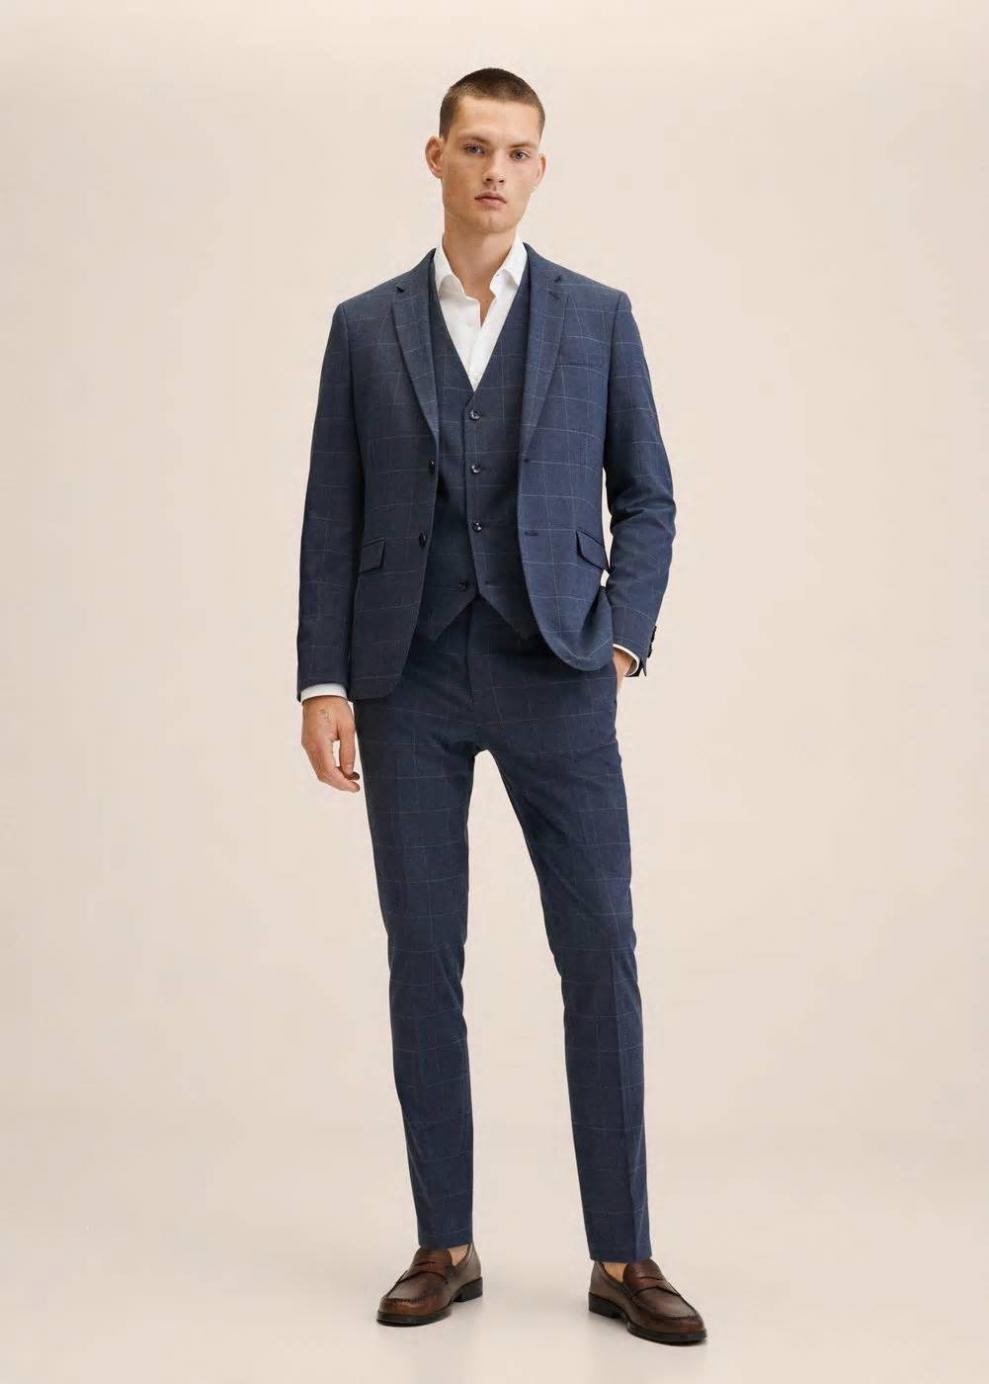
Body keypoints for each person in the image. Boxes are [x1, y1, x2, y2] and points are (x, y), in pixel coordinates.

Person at [296, 67, 705, 1346]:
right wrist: (322, 680)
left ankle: (623, 1253)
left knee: (599, 953)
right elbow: (331, 513)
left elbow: (648, 494)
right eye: (474, 147)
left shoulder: (596, 317)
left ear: (539, 168)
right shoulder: (364, 327)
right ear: (436, 158)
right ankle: (444, 1242)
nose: (495, 170)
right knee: (423, 956)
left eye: (517, 152)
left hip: (554, 669)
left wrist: (620, 641)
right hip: (404, 676)